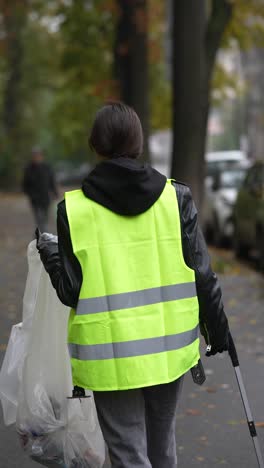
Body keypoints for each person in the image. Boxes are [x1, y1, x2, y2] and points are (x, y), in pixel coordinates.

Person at [36, 102, 229, 468]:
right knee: (163, 446)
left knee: (128, 454)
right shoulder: (176, 199)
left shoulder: (72, 211)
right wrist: (217, 331)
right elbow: (202, 273)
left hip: (110, 356)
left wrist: (51, 254)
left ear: (95, 145)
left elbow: (70, 291)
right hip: (168, 348)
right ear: (139, 144)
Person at [22, 148, 58, 233]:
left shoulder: (47, 167)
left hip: (46, 197)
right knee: (39, 218)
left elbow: (52, 181)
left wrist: (55, 193)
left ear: (42, 156)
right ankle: (42, 235)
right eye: (35, 156)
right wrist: (30, 194)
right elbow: (25, 184)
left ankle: (41, 233)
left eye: (38, 156)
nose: (37, 158)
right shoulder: (29, 169)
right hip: (35, 199)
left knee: (45, 217)